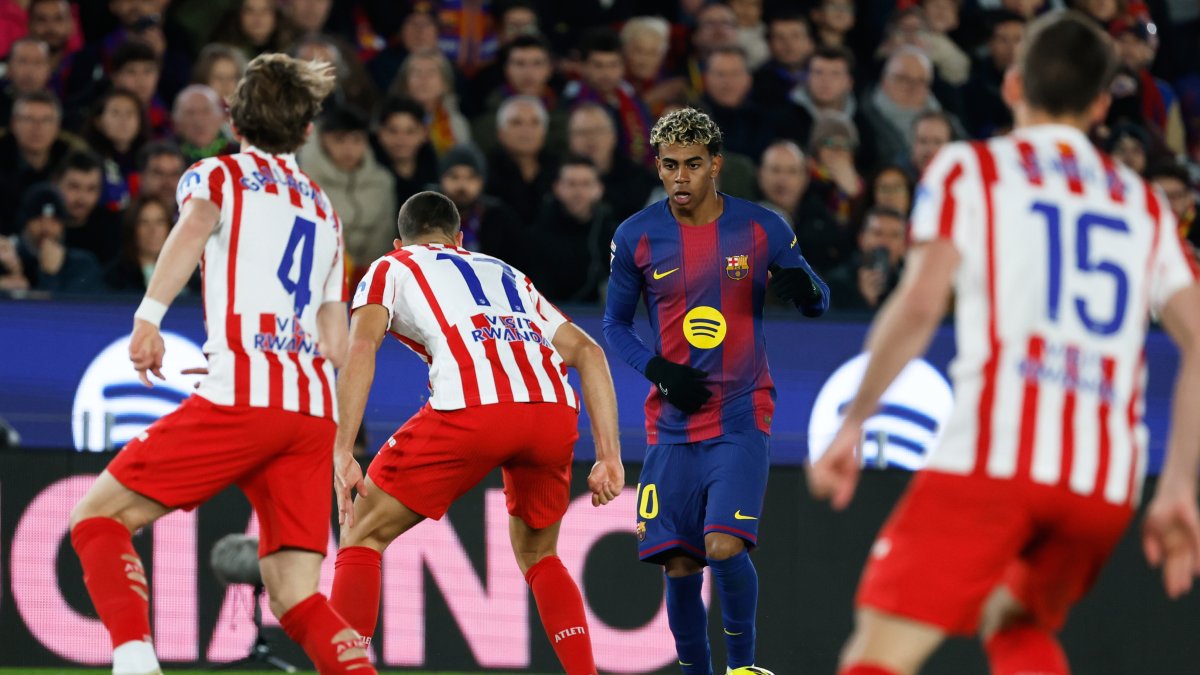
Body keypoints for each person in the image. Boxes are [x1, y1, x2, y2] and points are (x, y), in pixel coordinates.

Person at [808, 12, 1200, 675]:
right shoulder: (1144, 203)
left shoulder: (973, 170)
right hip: (1103, 483)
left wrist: (855, 420)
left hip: (998, 461)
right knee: (1014, 618)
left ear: (1014, 84)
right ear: (1103, 103)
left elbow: (921, 302)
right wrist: (1180, 484)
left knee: (878, 650)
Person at [67, 53, 377, 675]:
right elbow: (336, 341)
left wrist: (148, 318)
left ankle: (134, 663)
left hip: (245, 395)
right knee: (295, 595)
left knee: (97, 519)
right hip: (311, 410)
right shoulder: (324, 210)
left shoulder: (218, 176)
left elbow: (192, 229)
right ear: (307, 131)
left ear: (233, 117)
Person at [328, 190, 624, 675]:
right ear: (460, 238)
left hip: (473, 409)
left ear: (400, 242)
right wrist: (609, 455)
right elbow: (589, 352)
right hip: (550, 410)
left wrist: (343, 448)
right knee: (539, 553)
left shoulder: (391, 267)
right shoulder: (505, 272)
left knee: (361, 533)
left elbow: (362, 347)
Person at [604, 107, 829, 675]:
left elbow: (815, 297)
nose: (681, 177)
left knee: (725, 545)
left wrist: (806, 291)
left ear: (716, 166)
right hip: (672, 422)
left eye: (693, 165)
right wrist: (660, 371)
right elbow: (613, 326)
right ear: (658, 168)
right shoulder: (636, 235)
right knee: (679, 564)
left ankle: (744, 666)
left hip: (740, 413)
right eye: (671, 165)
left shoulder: (761, 227)